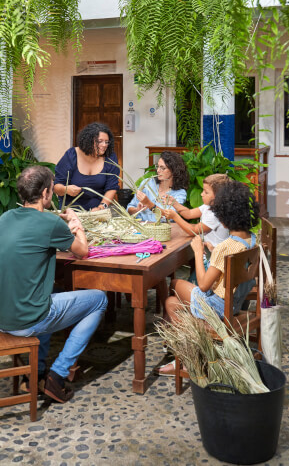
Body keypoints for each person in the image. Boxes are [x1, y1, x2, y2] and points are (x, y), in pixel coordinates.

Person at [0, 165, 108, 403]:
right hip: (28, 319)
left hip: (3, 316)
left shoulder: (5, 218)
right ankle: (57, 376)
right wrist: (76, 224)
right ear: (46, 193)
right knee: (99, 299)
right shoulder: (50, 223)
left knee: (53, 291)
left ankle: (36, 374)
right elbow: (83, 251)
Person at [158, 180, 259, 375]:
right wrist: (213, 252)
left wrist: (197, 251)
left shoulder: (226, 247)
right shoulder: (251, 239)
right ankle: (187, 347)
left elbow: (204, 285)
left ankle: (190, 359)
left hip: (219, 308)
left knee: (173, 294)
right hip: (235, 304)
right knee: (172, 297)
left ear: (225, 216)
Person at [54, 122, 120, 211]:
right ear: (89, 140)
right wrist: (66, 189)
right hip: (71, 211)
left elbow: (111, 187)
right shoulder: (71, 155)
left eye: (106, 142)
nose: (104, 145)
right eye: (100, 141)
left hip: (96, 212)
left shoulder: (110, 157)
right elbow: (57, 187)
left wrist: (101, 207)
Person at [161, 173, 229, 248]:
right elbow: (189, 214)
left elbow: (193, 231)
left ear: (218, 196)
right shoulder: (207, 206)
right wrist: (174, 203)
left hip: (214, 254)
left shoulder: (215, 215)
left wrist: (175, 217)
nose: (201, 194)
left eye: (206, 192)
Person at [127, 151, 188, 222]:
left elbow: (169, 217)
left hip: (162, 231)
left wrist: (149, 204)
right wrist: (137, 210)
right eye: (158, 166)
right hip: (141, 229)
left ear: (174, 171)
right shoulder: (147, 183)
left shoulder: (179, 193)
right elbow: (129, 208)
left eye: (163, 168)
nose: (158, 170)